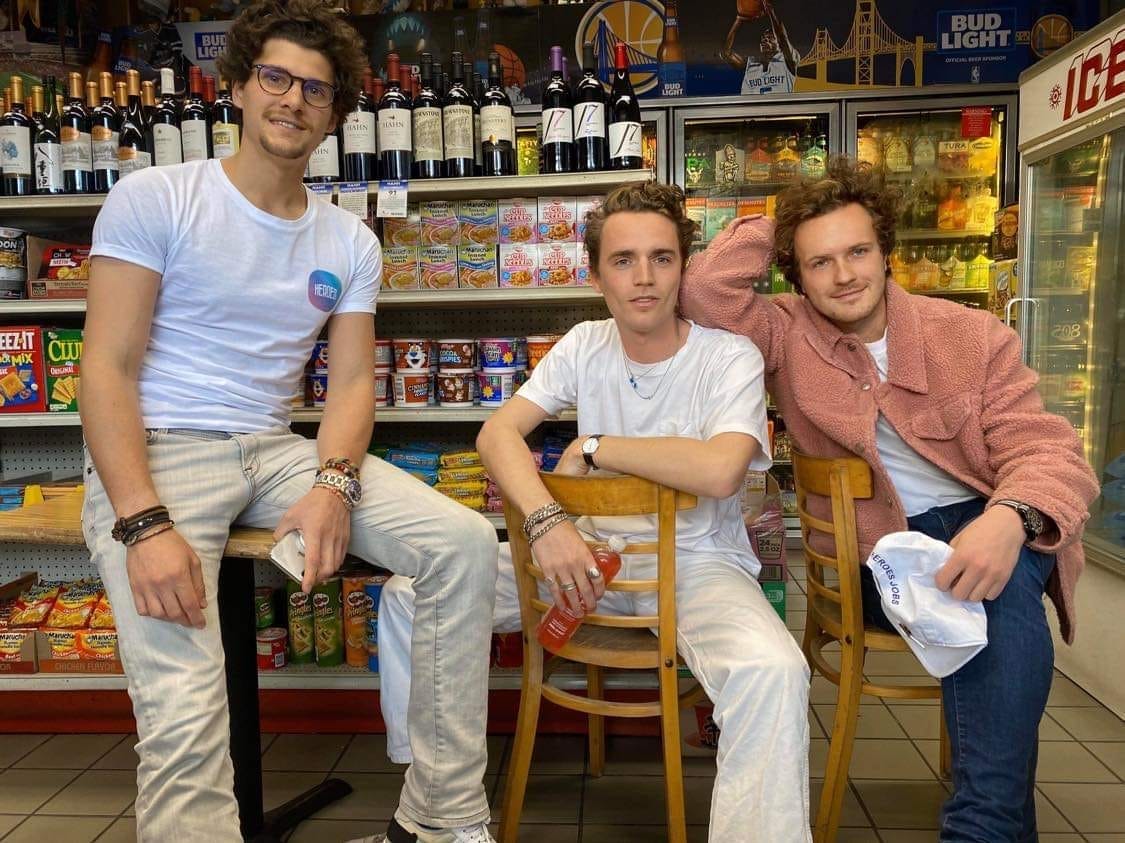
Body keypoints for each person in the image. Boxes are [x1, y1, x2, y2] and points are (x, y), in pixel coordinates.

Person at [79, 3, 498, 841]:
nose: (293, 100)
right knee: (186, 712)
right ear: (236, 86)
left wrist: (334, 483)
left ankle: (440, 820)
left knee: (461, 545)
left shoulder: (348, 241)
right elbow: (106, 369)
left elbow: (349, 387)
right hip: (160, 453)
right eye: (275, 77)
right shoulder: (156, 197)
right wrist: (142, 520)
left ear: (336, 111)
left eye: (316, 88)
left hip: (276, 450)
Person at [680, 156, 1100, 842]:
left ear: (886, 252)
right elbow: (701, 289)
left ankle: (980, 828)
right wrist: (786, 214)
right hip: (875, 556)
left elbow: (1050, 451)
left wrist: (1008, 517)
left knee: (996, 577)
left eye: (856, 251)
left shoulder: (971, 336)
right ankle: (986, 825)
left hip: (992, 527)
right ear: (794, 272)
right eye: (818, 262)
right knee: (999, 596)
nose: (842, 274)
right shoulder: (785, 332)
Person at [378, 182, 812, 843]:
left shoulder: (727, 356)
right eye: (623, 260)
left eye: (661, 258)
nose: (643, 278)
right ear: (594, 271)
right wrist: (548, 524)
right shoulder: (584, 343)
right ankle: (437, 806)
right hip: (585, 562)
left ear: (684, 265)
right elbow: (496, 435)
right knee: (409, 595)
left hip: (695, 570)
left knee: (773, 671)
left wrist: (596, 446)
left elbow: (721, 469)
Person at [740, 0, 799, 95]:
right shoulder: (752, 64)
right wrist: (738, 20)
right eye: (764, 38)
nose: (766, 40)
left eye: (770, 38)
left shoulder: (788, 61)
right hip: (755, 109)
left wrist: (771, 12)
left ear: (778, 44)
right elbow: (726, 53)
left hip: (778, 109)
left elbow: (782, 37)